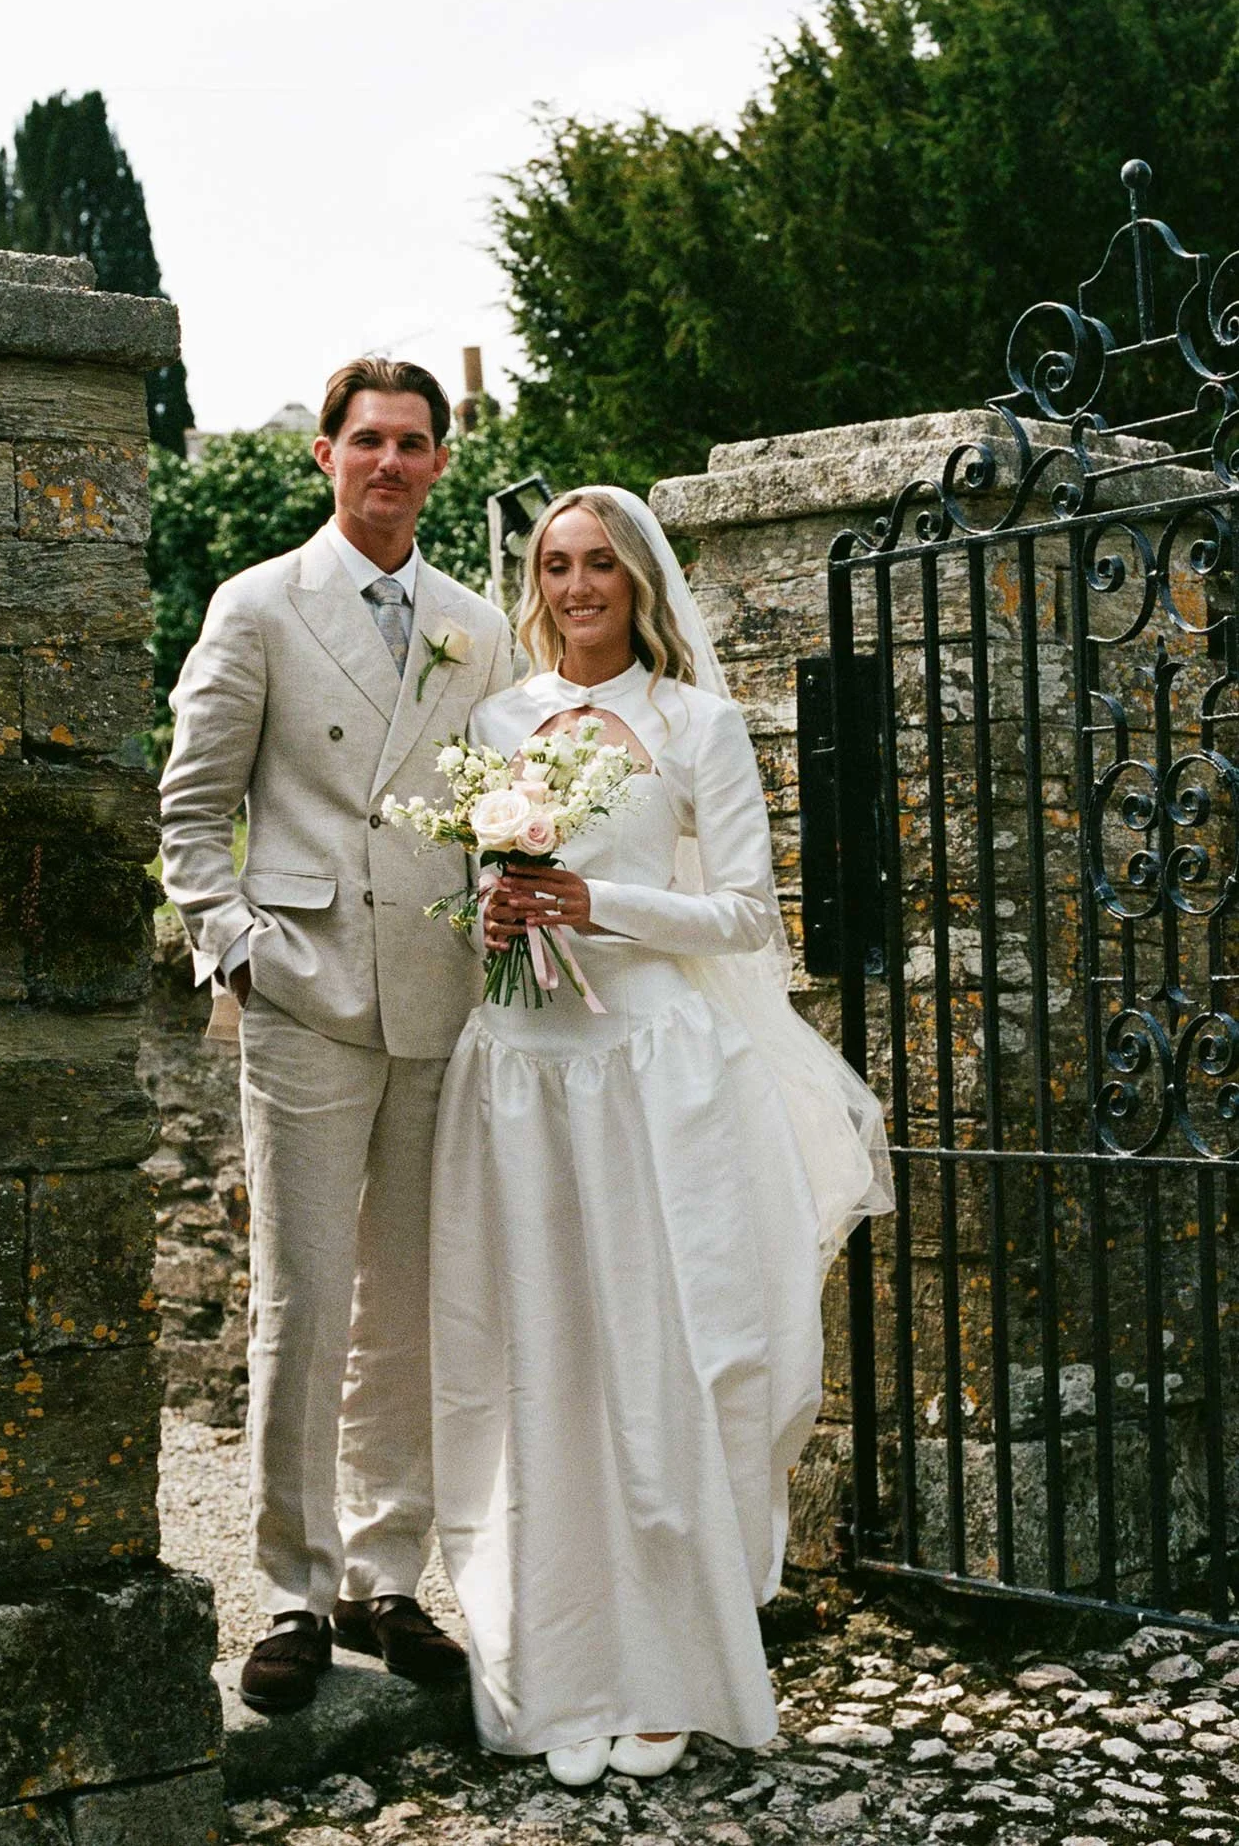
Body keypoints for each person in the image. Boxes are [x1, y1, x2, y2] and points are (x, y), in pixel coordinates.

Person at [428, 487, 893, 1784]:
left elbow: (747, 914)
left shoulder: (698, 723)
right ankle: (564, 1665)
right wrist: (498, 916)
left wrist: (599, 899)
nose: (577, 587)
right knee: (543, 1373)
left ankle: (674, 1668)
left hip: (654, 1077)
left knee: (666, 1363)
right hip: (526, 1073)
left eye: (600, 566)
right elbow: (477, 886)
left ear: (638, 580)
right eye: (556, 566)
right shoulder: (500, 718)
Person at [159, 358, 514, 1714]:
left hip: (438, 995)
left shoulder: (478, 627)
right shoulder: (257, 606)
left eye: (413, 444)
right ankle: (294, 1589)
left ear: (438, 463)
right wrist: (238, 944)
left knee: (409, 1306)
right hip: (306, 993)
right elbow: (193, 810)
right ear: (324, 456)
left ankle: (387, 1574)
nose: (388, 463)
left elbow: (502, 796)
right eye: (366, 440)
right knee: (302, 1301)